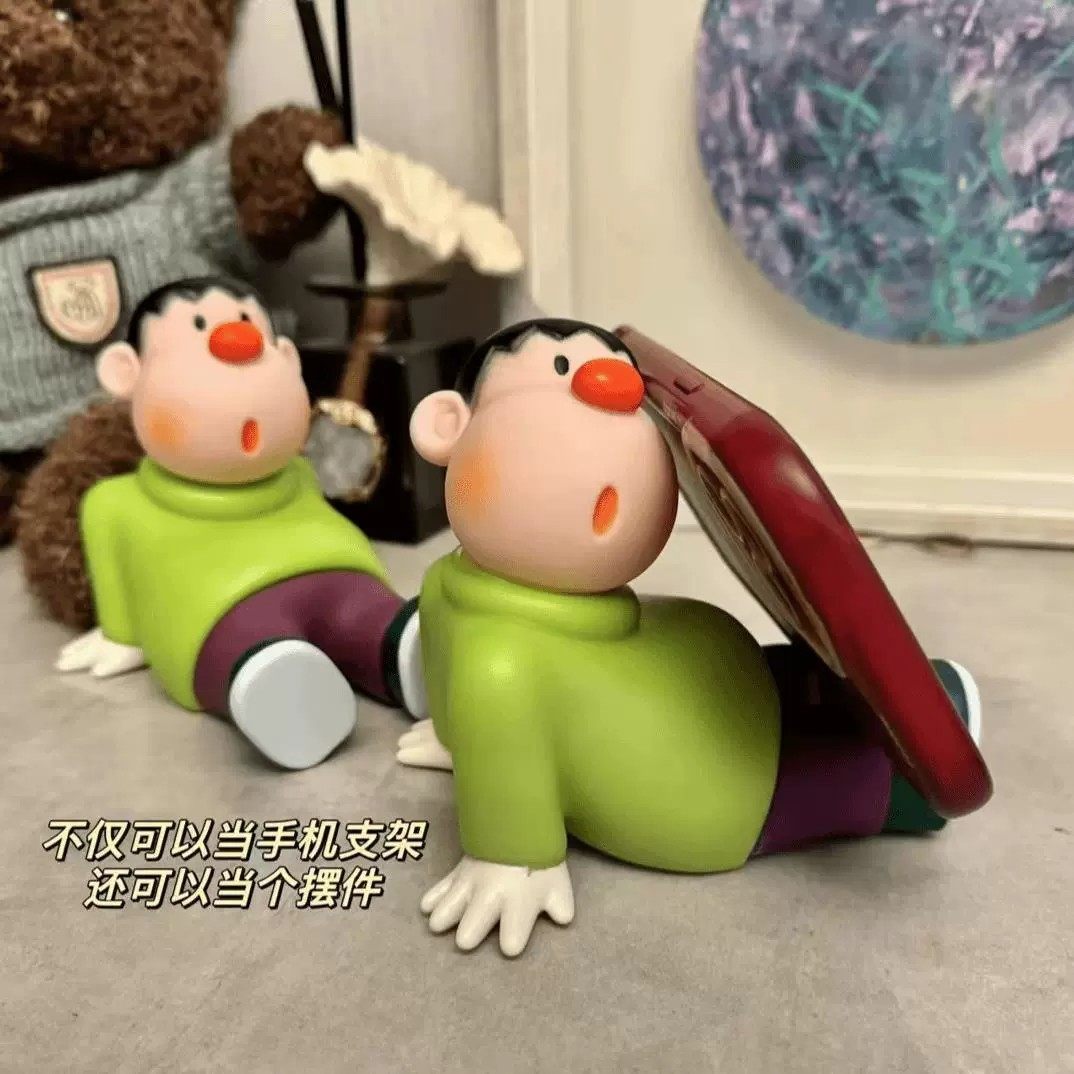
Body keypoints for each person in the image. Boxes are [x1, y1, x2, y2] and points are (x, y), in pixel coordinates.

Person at [403, 318, 983, 957]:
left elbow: (454, 655)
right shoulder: (497, 660)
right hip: (713, 792)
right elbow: (469, 684)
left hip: (713, 679)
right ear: (447, 427)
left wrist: (468, 734)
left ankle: (920, 699)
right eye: (561, 373)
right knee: (862, 773)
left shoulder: (454, 591)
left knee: (825, 684)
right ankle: (927, 740)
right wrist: (510, 853)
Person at [56, 276, 423, 770]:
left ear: (287, 357)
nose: (237, 340)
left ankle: (403, 650)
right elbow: (114, 572)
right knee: (245, 644)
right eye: (199, 327)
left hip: (338, 576)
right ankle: (276, 682)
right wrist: (121, 636)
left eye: (249, 324)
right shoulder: (118, 502)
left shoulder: (298, 473)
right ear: (128, 375)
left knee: (365, 614)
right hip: (218, 607)